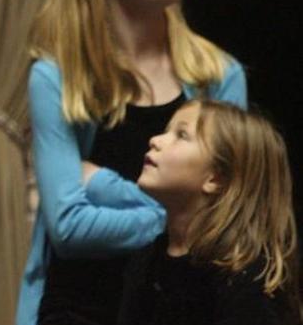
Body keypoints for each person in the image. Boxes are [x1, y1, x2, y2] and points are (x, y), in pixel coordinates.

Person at [15, 0, 247, 325]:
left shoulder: (219, 76)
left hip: (180, 302)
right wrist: (174, 215)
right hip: (77, 308)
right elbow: (67, 228)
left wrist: (101, 183)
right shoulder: (56, 78)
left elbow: (228, 215)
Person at [119, 100, 302, 324]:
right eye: (167, 131)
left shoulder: (244, 281)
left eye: (182, 135)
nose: (155, 140)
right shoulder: (147, 261)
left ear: (216, 178)